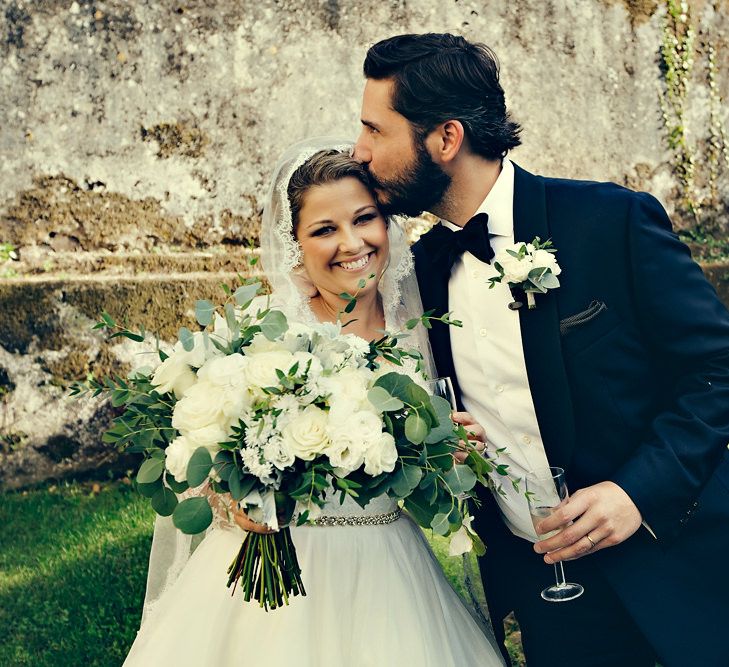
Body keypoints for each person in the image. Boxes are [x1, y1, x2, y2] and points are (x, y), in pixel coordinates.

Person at [353, 33, 729, 667]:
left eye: (374, 130)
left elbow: (716, 368)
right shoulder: (415, 275)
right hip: (549, 595)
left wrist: (636, 493)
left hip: (679, 565)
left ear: (446, 139)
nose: (359, 152)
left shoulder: (612, 222)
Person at [123, 140, 506, 667]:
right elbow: (207, 460)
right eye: (324, 230)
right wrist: (233, 500)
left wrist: (443, 456)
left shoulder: (421, 326)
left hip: (390, 567)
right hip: (276, 580)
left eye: (364, 218)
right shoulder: (263, 335)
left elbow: (410, 491)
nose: (352, 243)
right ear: (295, 244)